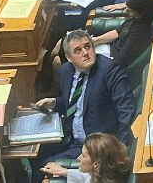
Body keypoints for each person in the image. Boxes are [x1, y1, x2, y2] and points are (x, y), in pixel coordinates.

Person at [32, 31, 135, 183]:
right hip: (69, 137)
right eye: (78, 50)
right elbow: (76, 101)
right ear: (69, 57)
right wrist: (55, 102)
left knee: (42, 165)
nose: (85, 53)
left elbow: (126, 111)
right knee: (34, 154)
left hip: (93, 147)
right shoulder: (65, 71)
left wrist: (117, 151)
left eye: (88, 47)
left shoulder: (110, 70)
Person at [90, 0, 153, 69]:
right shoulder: (135, 18)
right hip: (110, 48)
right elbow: (117, 33)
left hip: (111, 59)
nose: (125, 11)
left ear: (140, 12)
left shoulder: (138, 32)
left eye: (129, 10)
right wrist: (94, 41)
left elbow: (121, 60)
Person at [41, 132, 131, 183]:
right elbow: (88, 176)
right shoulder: (102, 175)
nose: (78, 158)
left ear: (96, 164)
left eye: (83, 156)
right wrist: (64, 171)